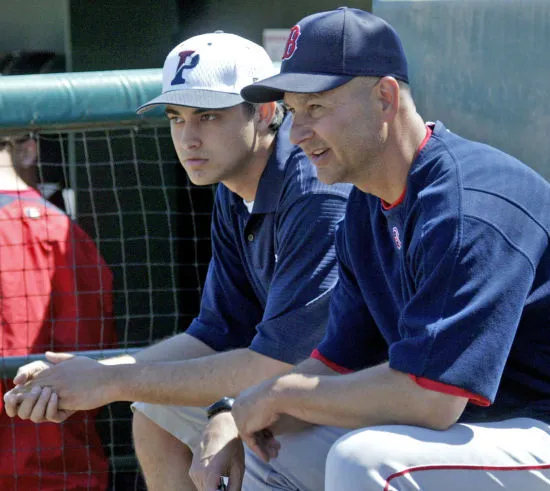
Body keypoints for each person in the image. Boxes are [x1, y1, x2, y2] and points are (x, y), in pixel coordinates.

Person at [209, 7, 550, 491]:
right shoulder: (365, 209)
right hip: (492, 432)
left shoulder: (468, 204)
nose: (297, 134)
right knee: (268, 451)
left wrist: (279, 393)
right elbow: (337, 363)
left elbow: (431, 398)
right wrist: (238, 413)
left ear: (384, 97)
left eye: (315, 107)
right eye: (293, 111)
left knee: (366, 461)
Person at [4, 32, 351, 491]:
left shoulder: (313, 190)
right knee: (156, 413)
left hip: (377, 409)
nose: (189, 138)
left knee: (239, 433)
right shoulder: (234, 188)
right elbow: (214, 334)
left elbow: (278, 365)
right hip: (303, 397)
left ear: (264, 111)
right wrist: (90, 374)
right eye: (176, 117)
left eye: (208, 116)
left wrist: (114, 383)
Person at [0, 133, 117, 489]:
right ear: (29, 148)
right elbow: (91, 356)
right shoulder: (63, 233)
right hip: (58, 467)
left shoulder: (60, 232)